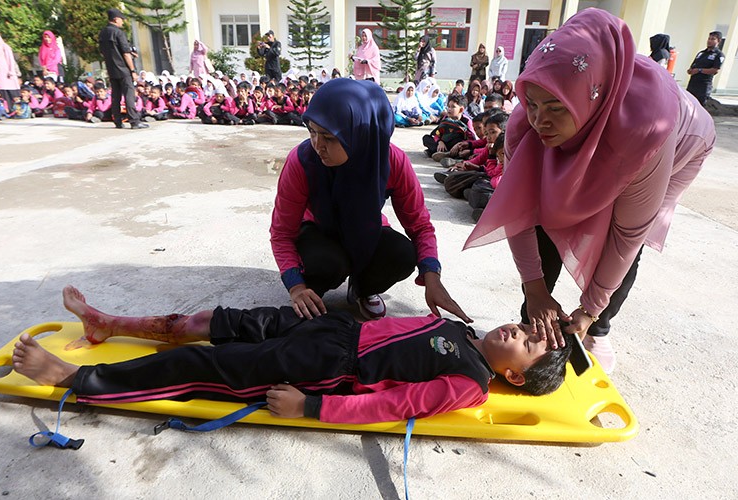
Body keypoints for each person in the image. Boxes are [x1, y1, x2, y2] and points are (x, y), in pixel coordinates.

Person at [463, 8, 716, 374]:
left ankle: (598, 329)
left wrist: (590, 308)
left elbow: (628, 236)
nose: (540, 120)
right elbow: (519, 208)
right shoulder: (525, 127)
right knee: (548, 214)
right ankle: (538, 328)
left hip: (681, 146)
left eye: (555, 107)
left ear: (591, 99)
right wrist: (534, 290)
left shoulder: (648, 132)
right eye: (532, 103)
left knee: (620, 232)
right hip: (603, 132)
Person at [11, 286, 573, 424]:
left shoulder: (470, 381)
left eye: (524, 343)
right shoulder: (461, 328)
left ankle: (74, 378)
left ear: (513, 378)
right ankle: (107, 323)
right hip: (329, 330)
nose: (517, 330)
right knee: (213, 322)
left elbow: (398, 405)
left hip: (321, 369)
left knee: (200, 368)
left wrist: (313, 408)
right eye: (526, 327)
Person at [270, 79, 470, 323]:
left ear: (359, 134)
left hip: (366, 228)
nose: (317, 145)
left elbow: (419, 225)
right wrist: (296, 287)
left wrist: (432, 276)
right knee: (325, 264)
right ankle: (313, 291)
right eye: (312, 131)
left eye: (329, 137)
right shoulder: (302, 161)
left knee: (402, 254)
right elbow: (282, 232)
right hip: (319, 230)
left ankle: (362, 288)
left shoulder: (391, 160)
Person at [98, 8, 148, 129]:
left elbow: (102, 52)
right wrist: (132, 70)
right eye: (121, 19)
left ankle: (118, 121)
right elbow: (125, 53)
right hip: (124, 69)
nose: (122, 22)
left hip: (111, 69)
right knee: (129, 94)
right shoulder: (118, 33)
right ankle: (134, 121)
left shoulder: (102, 33)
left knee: (115, 96)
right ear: (116, 19)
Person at [686, 31, 725, 106]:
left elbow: (715, 70)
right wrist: (691, 70)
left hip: (703, 86)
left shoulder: (719, 55)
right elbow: (693, 66)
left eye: (713, 39)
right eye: (709, 39)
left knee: (699, 107)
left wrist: (699, 70)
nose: (709, 41)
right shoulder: (701, 53)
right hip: (693, 84)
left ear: (719, 41)